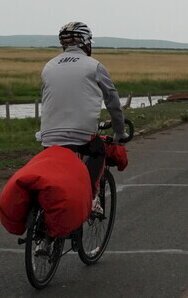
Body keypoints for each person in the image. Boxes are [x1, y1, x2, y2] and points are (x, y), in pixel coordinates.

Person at [38, 22, 126, 204]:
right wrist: (119, 131)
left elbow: (47, 99)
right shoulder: (94, 66)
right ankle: (90, 196)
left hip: (48, 135)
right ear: (86, 42)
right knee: (98, 150)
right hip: (81, 134)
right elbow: (112, 101)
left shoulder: (49, 66)